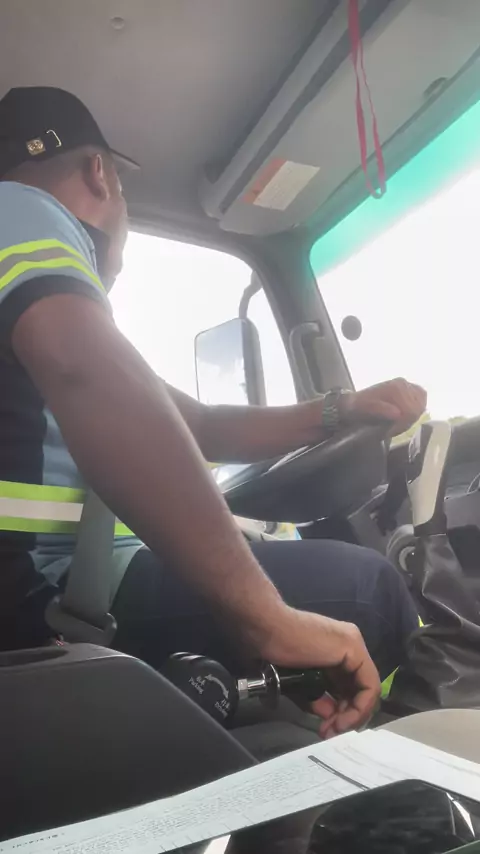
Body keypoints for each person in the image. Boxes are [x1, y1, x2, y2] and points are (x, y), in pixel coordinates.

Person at [0, 86, 425, 739]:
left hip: (57, 589)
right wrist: (267, 619)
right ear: (100, 174)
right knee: (368, 588)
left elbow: (197, 424)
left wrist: (338, 410)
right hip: (48, 600)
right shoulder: (20, 208)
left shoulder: (44, 319)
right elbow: (85, 371)